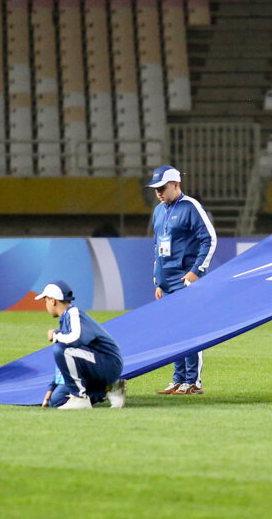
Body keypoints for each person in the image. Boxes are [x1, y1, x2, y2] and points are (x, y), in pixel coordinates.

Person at [148, 164, 217, 394]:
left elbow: (209, 239)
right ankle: (178, 380)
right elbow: (157, 245)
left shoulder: (190, 207)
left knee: (189, 330)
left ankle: (193, 382)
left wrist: (196, 272)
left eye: (162, 187)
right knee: (172, 332)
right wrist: (158, 280)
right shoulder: (159, 211)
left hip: (186, 280)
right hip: (166, 283)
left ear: (176, 184)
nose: (158, 192)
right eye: (156, 188)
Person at [36, 280, 126, 410]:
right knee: (57, 400)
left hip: (108, 363)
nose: (46, 305)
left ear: (53, 300)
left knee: (61, 349)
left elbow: (75, 338)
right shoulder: (67, 316)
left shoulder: (73, 313)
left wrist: (55, 334)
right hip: (94, 364)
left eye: (45, 300)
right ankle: (107, 390)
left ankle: (80, 397)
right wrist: (52, 386)